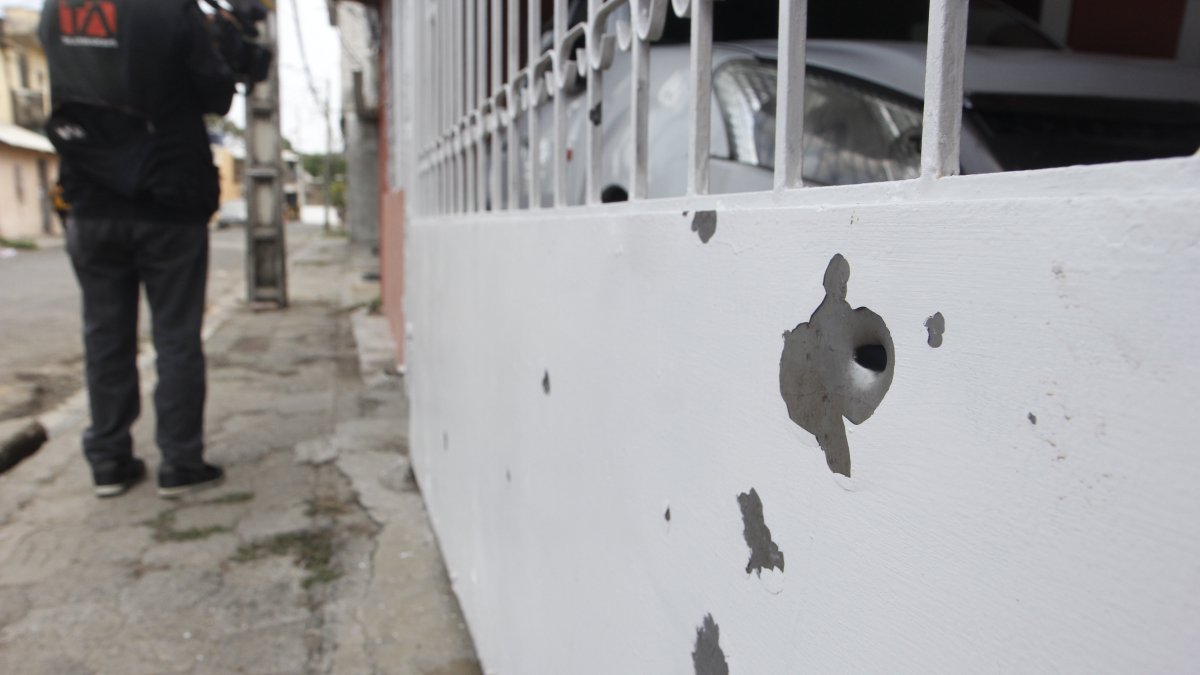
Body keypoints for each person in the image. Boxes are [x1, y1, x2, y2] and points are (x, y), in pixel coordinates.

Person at [39, 0, 236, 498]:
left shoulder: (57, 10)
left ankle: (108, 460)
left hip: (89, 196)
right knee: (176, 335)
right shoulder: (170, 9)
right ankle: (181, 462)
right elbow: (216, 91)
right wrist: (226, 42)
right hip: (166, 195)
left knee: (105, 335)